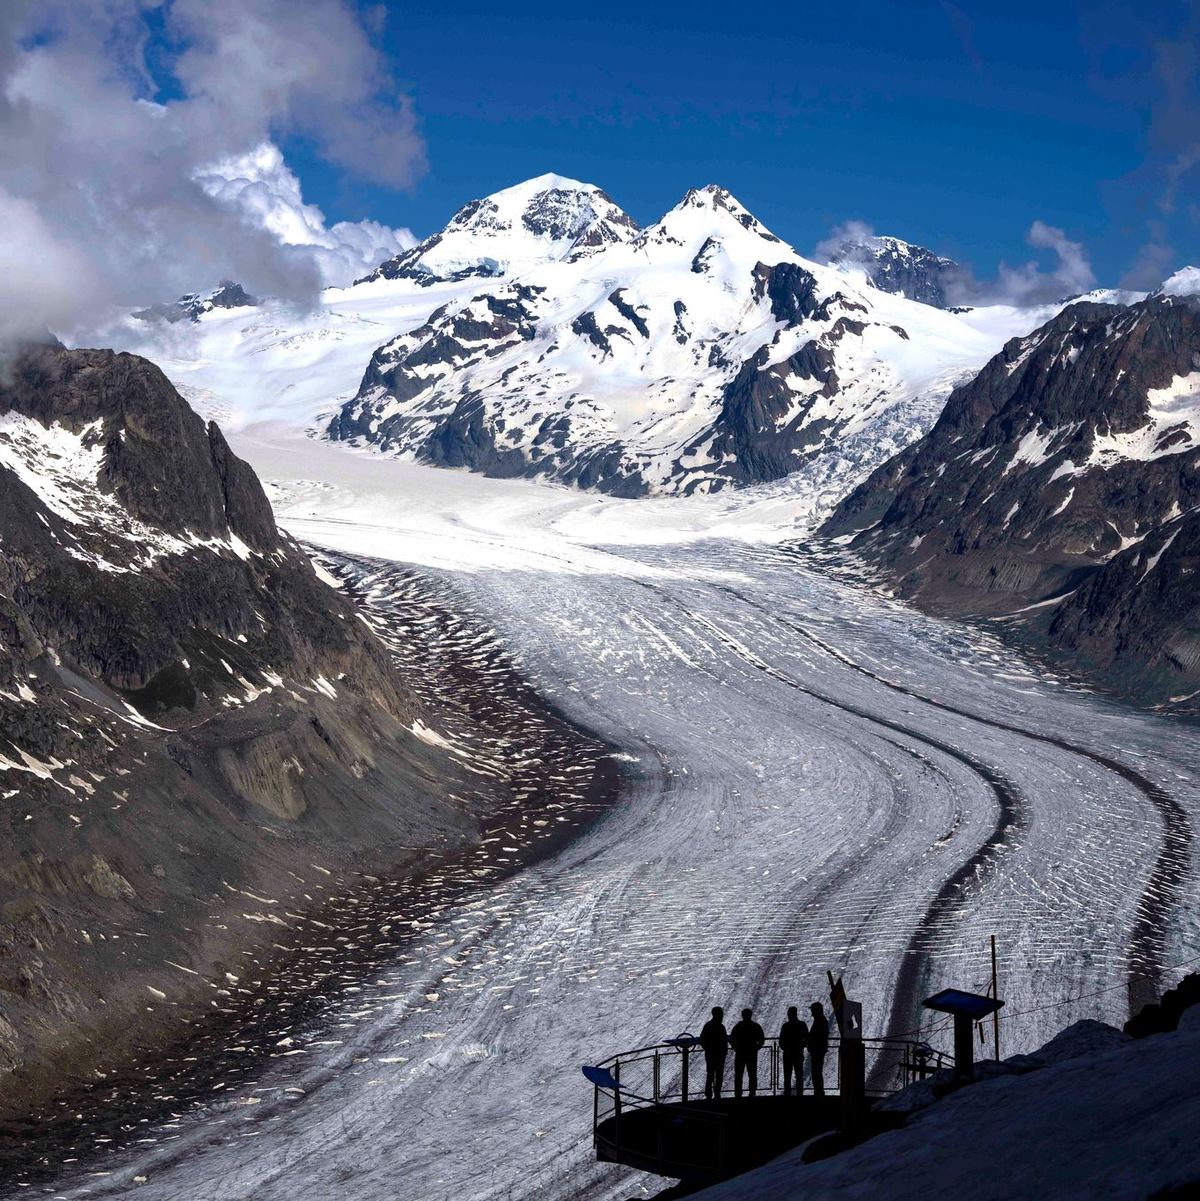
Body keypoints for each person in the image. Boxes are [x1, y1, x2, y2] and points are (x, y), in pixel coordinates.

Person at [729, 1007, 766, 1098]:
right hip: (752, 1053)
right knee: (752, 1074)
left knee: (739, 1074)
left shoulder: (738, 1026)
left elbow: (732, 1039)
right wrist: (756, 1048)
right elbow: (761, 1039)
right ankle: (752, 1092)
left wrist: (736, 1048)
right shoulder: (755, 1026)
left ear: (742, 1016)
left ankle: (738, 1093)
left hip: (740, 1053)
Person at [778, 1005, 809, 1098]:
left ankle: (787, 1094)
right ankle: (800, 1094)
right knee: (799, 1075)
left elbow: (781, 1041)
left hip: (787, 1054)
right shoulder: (802, 1024)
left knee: (787, 1075)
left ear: (789, 1014)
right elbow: (807, 1038)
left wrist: (786, 1049)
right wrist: (801, 1046)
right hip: (798, 1052)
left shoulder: (786, 1026)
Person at [699, 1006, 728, 1100]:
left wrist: (707, 1048)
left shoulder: (708, 1025)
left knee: (710, 1075)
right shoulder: (721, 1027)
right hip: (719, 1055)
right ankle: (717, 1094)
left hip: (710, 1054)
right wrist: (724, 1052)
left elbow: (702, 1039)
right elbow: (724, 1041)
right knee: (719, 1075)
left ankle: (708, 1095)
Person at [809, 1001, 829, 1098]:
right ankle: (819, 1091)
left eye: (813, 1010)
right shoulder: (821, 1020)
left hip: (817, 1050)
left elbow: (817, 1036)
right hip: (819, 1049)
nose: (811, 1012)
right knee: (817, 1071)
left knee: (816, 1071)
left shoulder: (819, 1020)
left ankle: (819, 1092)